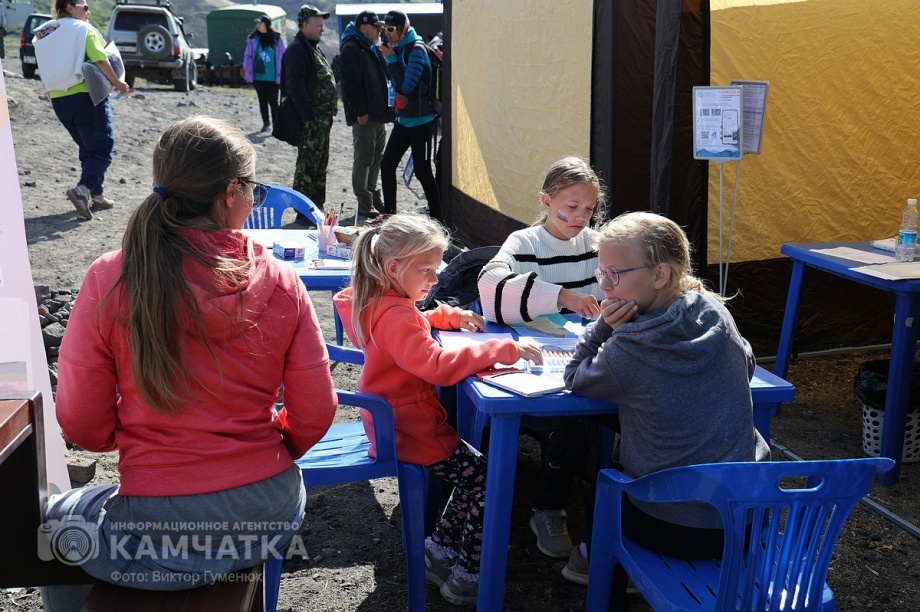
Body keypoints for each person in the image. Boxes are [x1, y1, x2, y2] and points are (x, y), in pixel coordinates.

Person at [40, 116, 338, 612]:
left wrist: (138, 441)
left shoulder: (111, 277)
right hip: (269, 511)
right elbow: (316, 413)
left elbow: (82, 423)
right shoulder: (283, 281)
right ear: (228, 193)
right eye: (255, 189)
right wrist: (261, 452)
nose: (255, 199)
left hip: (158, 522)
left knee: (53, 527)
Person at [333, 213, 542, 606]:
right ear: (394, 268)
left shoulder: (377, 298)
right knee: (485, 477)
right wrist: (503, 349)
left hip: (392, 421)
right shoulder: (396, 314)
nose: (435, 279)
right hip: (409, 428)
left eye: (438, 269)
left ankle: (440, 550)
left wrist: (449, 315)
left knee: (473, 475)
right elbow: (438, 366)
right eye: (426, 270)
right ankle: (466, 573)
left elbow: (412, 324)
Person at [560, 211, 770, 597]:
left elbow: (574, 377)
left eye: (614, 274)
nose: (605, 287)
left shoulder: (628, 348)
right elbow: (749, 364)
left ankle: (598, 569)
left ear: (660, 275)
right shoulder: (715, 311)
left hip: (674, 528)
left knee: (600, 484)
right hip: (744, 522)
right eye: (601, 273)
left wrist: (604, 327)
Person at [477, 155, 606, 560]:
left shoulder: (597, 245)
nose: (581, 217)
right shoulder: (524, 243)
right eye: (571, 207)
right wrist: (562, 297)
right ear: (546, 202)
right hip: (538, 364)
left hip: (589, 362)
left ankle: (622, 501)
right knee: (568, 431)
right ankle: (548, 509)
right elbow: (490, 287)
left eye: (589, 209)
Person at [32, 0, 131, 220]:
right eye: (84, 7)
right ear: (69, 6)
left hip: (58, 99)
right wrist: (119, 84)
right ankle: (82, 191)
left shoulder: (44, 32)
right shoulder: (83, 29)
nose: (88, 11)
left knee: (88, 147)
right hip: (86, 96)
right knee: (102, 149)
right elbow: (100, 60)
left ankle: (98, 196)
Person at [377, 10, 441, 220]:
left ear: (404, 29)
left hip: (422, 121)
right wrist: (391, 58)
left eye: (392, 29)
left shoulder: (416, 50)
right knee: (387, 165)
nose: (388, 34)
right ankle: (390, 216)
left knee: (423, 171)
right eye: (385, 29)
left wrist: (392, 60)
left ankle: (438, 219)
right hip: (404, 119)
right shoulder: (398, 49)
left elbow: (406, 87)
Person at [282, 4, 337, 221]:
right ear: (305, 25)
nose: (322, 29)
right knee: (307, 166)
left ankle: (316, 207)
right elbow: (295, 87)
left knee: (319, 164)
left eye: (323, 25)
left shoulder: (311, 46)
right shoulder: (298, 49)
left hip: (322, 120)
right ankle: (304, 211)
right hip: (311, 121)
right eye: (318, 25)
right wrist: (310, 116)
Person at [340, 10, 390, 220]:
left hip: (377, 114)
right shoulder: (352, 48)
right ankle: (364, 200)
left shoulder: (368, 46)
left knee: (376, 157)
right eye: (376, 26)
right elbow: (351, 83)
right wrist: (360, 111)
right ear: (364, 27)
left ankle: (373, 195)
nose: (380, 29)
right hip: (366, 116)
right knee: (364, 158)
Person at [243, 14, 286, 132]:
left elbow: (283, 56)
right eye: (257, 24)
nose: (258, 26)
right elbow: (247, 55)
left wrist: (285, 72)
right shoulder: (253, 39)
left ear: (266, 25)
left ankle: (277, 125)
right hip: (258, 76)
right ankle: (266, 123)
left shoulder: (277, 39)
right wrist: (247, 69)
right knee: (262, 100)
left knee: (273, 101)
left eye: (260, 23)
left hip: (273, 76)